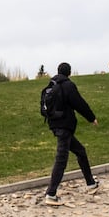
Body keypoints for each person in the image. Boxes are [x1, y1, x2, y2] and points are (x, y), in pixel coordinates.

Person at [42, 62, 99, 206]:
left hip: (55, 125)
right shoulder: (68, 85)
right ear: (69, 73)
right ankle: (51, 194)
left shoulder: (51, 85)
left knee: (80, 151)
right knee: (61, 160)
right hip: (64, 126)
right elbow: (79, 103)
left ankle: (91, 183)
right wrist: (91, 118)